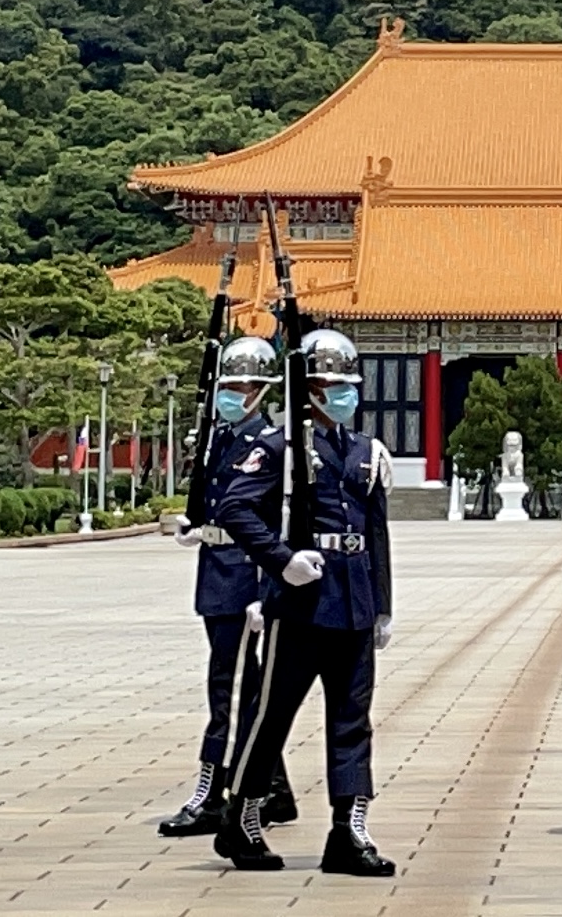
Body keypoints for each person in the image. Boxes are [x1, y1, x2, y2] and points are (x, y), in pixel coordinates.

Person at [214, 327, 397, 877]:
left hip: (354, 603)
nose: (343, 394)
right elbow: (234, 509)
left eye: (348, 385)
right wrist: (281, 560)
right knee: (272, 715)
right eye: (330, 384)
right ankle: (241, 817)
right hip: (299, 606)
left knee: (352, 721)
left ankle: (348, 830)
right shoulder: (279, 447)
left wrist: (383, 605)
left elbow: (377, 533)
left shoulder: (365, 451)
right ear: (308, 388)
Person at [158, 335, 296, 838]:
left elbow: (273, 524)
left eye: (240, 387)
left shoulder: (267, 445)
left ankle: (212, 794)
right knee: (246, 685)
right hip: (217, 573)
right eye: (226, 385)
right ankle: (273, 789)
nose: (230, 394)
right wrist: (194, 527)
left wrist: (267, 589)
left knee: (229, 687)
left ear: (262, 391)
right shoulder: (221, 438)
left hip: (246, 578)